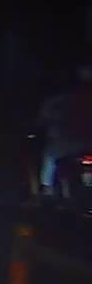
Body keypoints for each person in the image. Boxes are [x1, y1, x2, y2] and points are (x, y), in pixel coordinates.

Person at [36, 64, 92, 196]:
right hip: (86, 143)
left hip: (62, 145)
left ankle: (47, 189)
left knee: (49, 158)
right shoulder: (84, 100)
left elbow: (42, 121)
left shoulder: (57, 102)